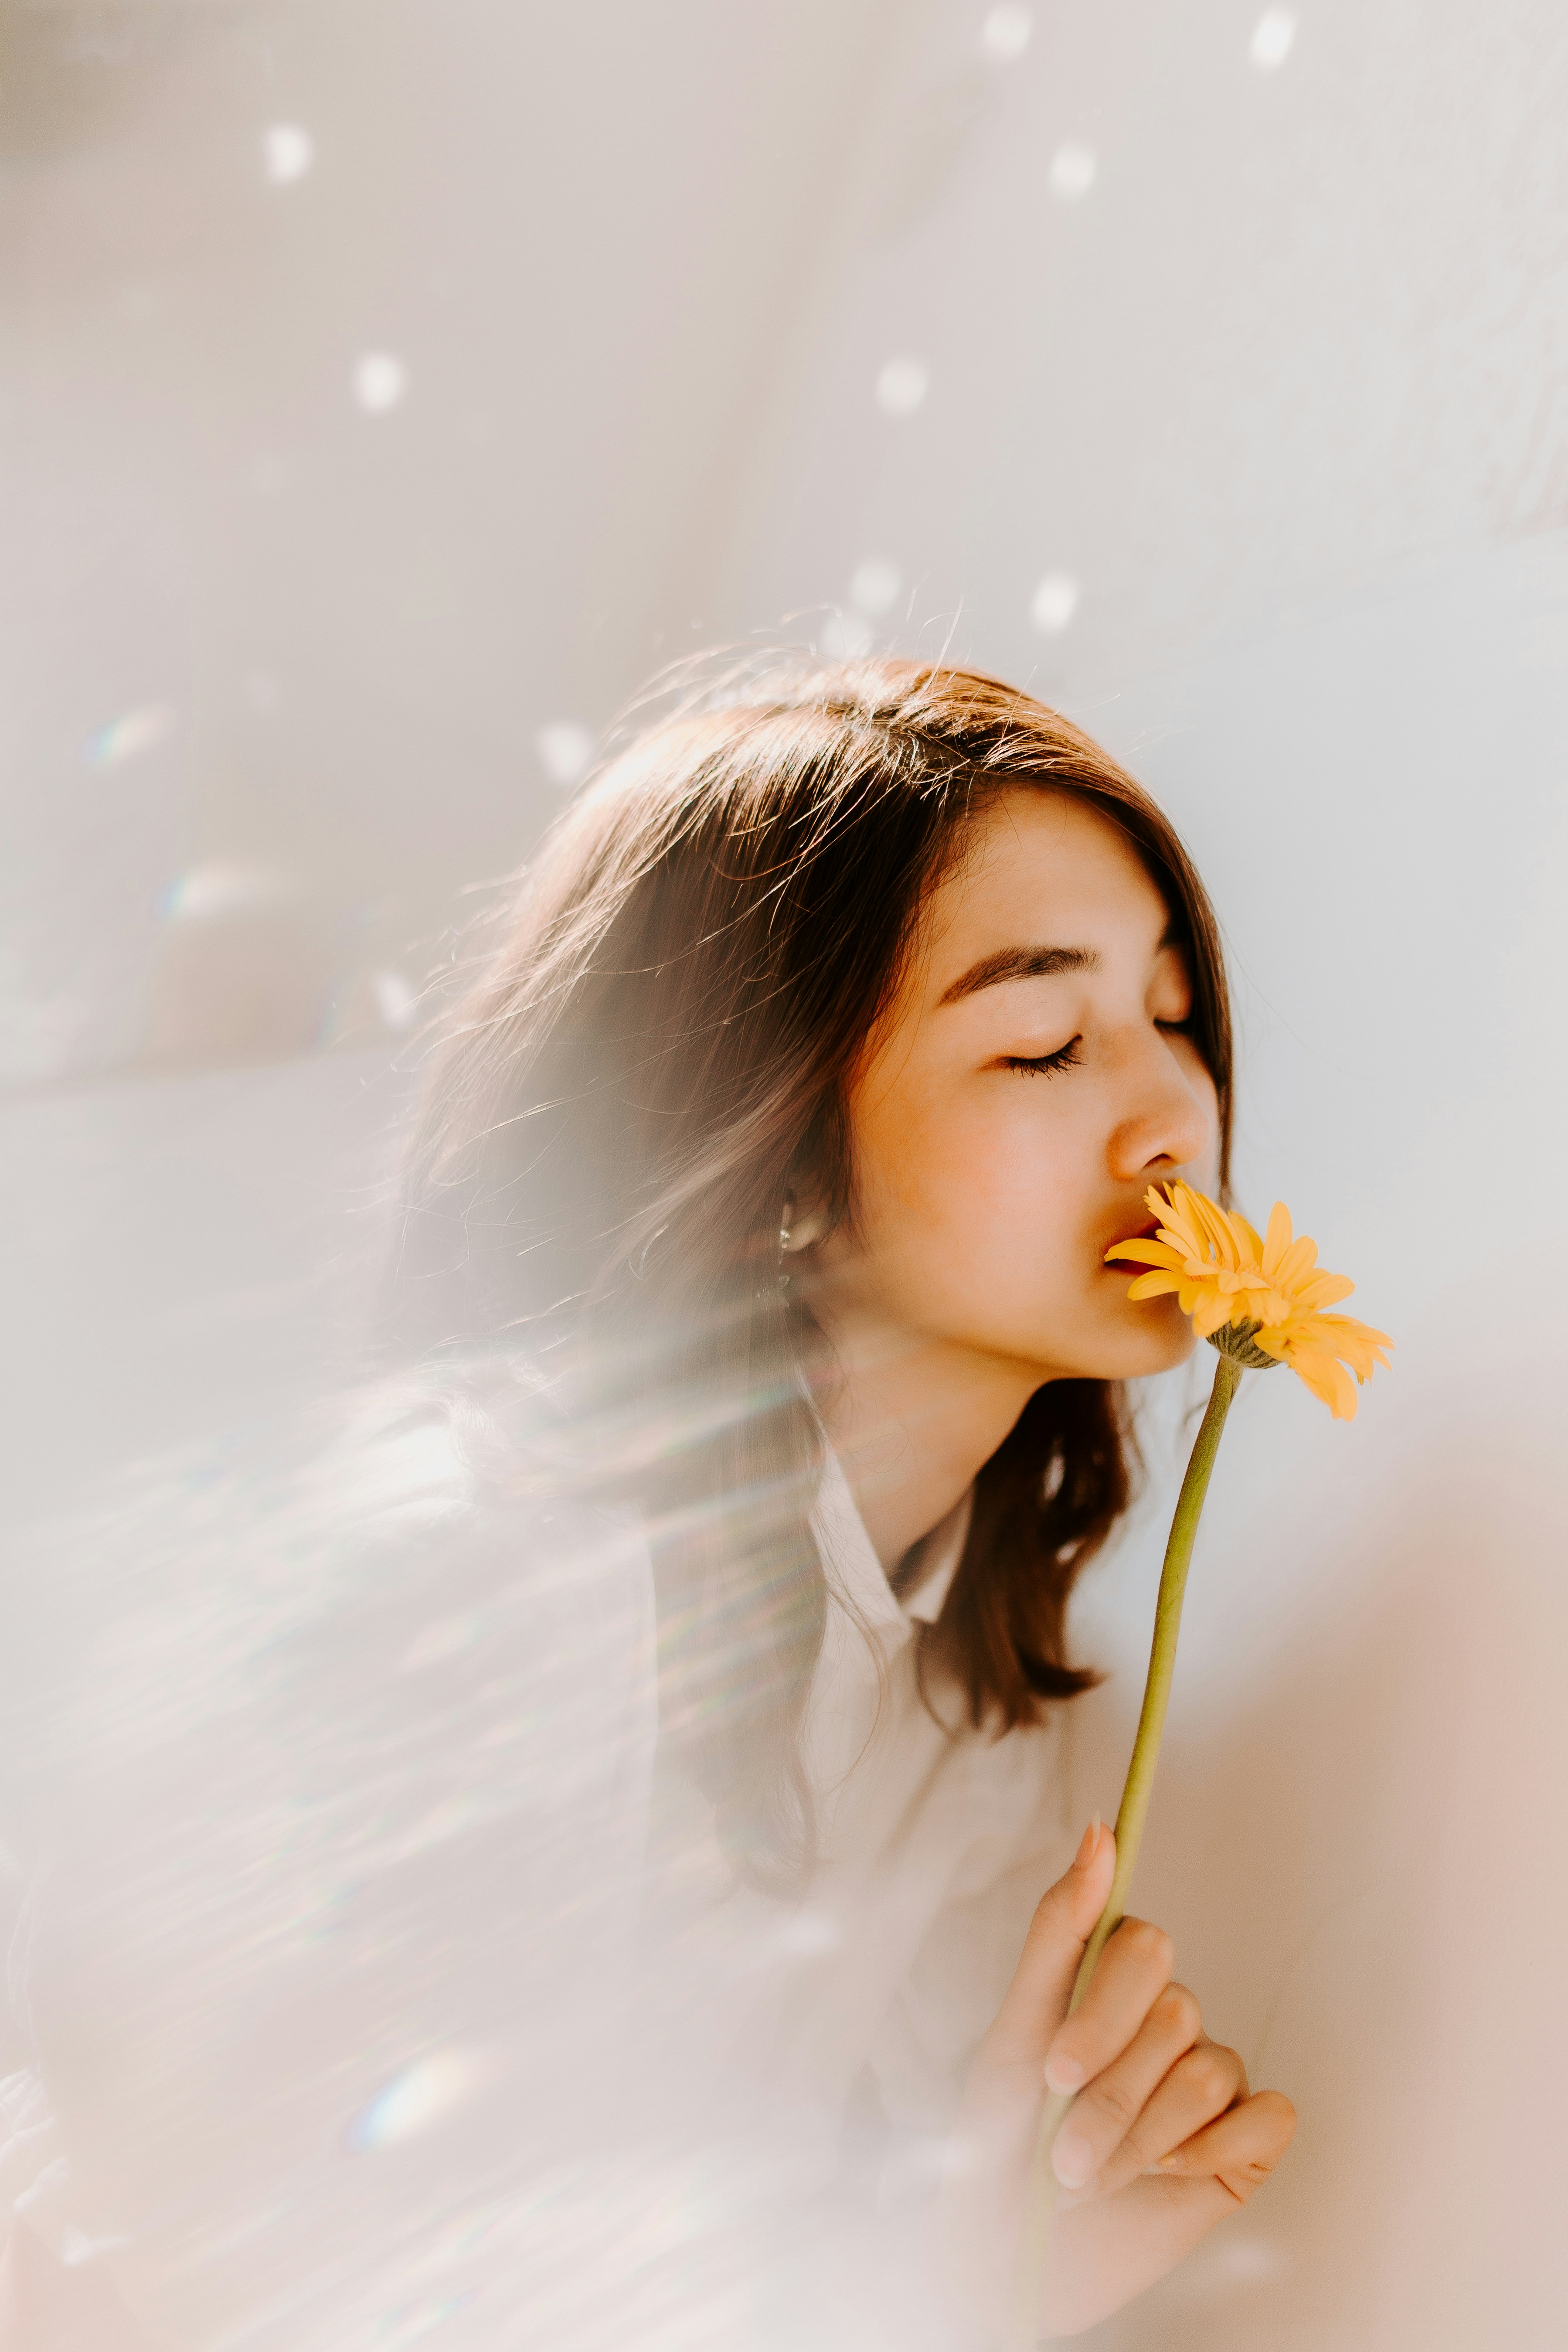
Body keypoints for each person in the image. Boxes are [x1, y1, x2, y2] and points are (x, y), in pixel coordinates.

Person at [396, 654, 1298, 2343]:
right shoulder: (510, 1574)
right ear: (781, 1151)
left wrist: (1013, 2249)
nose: (1176, 1112)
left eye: (1177, 1017)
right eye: (1047, 1041)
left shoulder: (979, 1692)